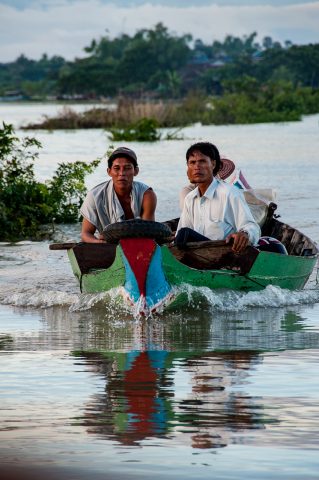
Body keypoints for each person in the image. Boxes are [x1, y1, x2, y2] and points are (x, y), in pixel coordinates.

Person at [175, 142, 260, 253]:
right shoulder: (190, 198)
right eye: (192, 163)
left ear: (213, 164)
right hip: (199, 255)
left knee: (184, 233)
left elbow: (252, 226)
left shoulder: (230, 193)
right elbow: (181, 234)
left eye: (202, 161)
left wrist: (245, 234)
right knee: (182, 234)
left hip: (224, 255)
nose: (196, 167)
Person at [80, 146, 157, 243]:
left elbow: (148, 233)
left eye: (127, 168)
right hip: (107, 244)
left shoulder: (147, 195)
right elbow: (86, 233)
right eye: (116, 168)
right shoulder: (95, 196)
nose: (122, 173)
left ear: (136, 171)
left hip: (139, 242)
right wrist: (99, 243)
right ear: (109, 171)